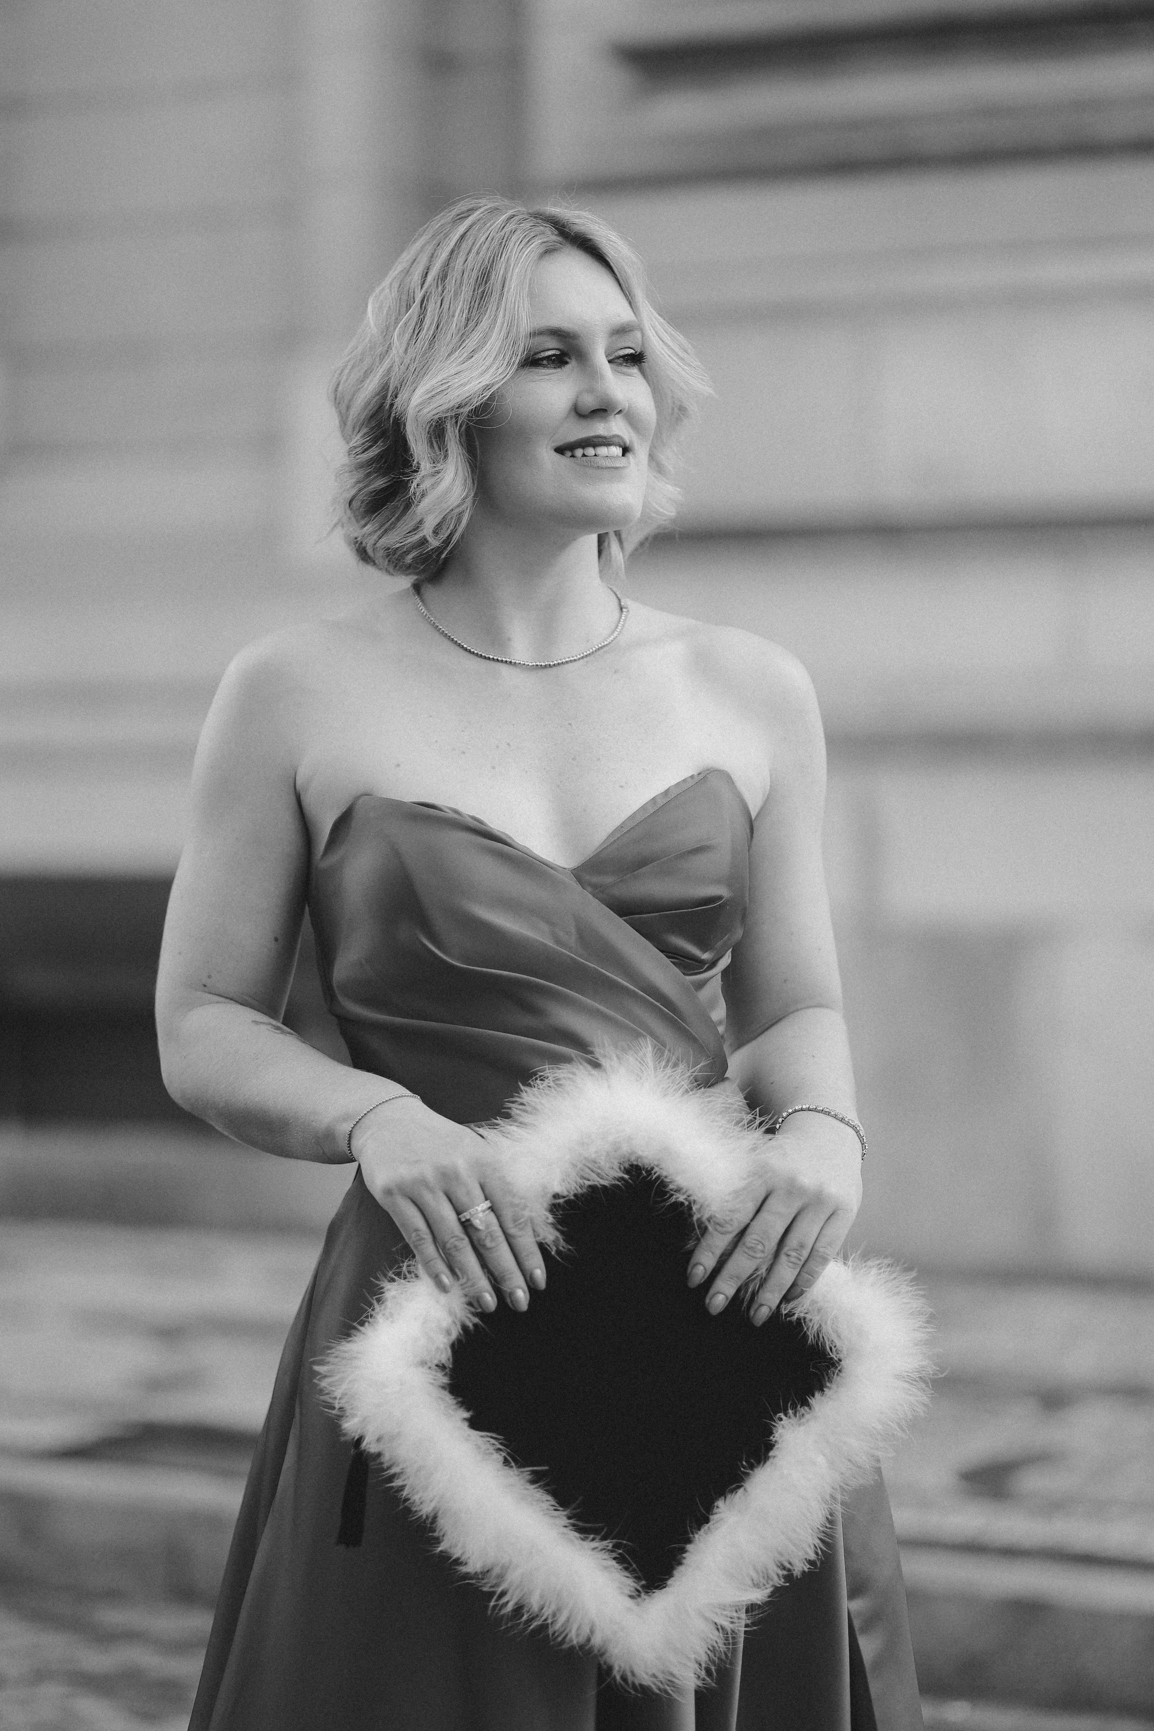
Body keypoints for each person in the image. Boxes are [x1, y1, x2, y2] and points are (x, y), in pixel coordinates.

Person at [157, 196, 923, 1730]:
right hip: (440, 1319)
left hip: (715, 1318)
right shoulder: (294, 691)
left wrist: (826, 1137)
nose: (607, 393)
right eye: (548, 356)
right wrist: (378, 1119)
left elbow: (792, 1007)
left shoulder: (748, 687)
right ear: (445, 399)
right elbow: (202, 1021)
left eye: (626, 355)